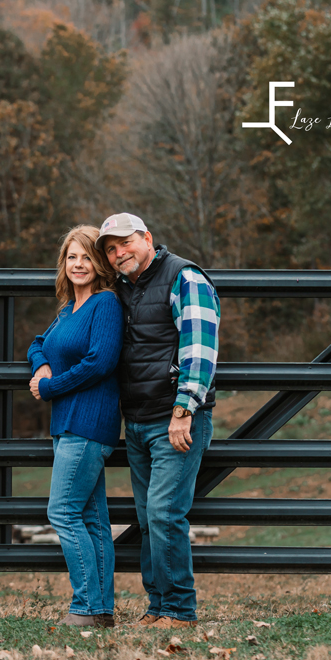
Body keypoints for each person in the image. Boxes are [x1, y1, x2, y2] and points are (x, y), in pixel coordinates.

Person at [97, 213, 220, 630]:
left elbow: (200, 348)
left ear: (147, 238)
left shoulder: (183, 277)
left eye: (125, 243)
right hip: (137, 421)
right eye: (111, 249)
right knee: (150, 518)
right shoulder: (123, 289)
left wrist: (184, 411)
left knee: (166, 513)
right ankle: (158, 607)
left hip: (176, 420)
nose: (119, 253)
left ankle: (180, 610)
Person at [28, 226, 124, 628]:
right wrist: (41, 365)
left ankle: (85, 606)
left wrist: (50, 386)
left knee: (63, 511)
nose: (79, 264)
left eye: (87, 257)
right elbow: (38, 343)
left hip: (89, 422)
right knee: (92, 519)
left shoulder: (106, 305)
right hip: (67, 423)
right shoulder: (69, 309)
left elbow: (101, 362)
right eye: (72, 257)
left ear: (99, 263)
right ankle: (101, 611)